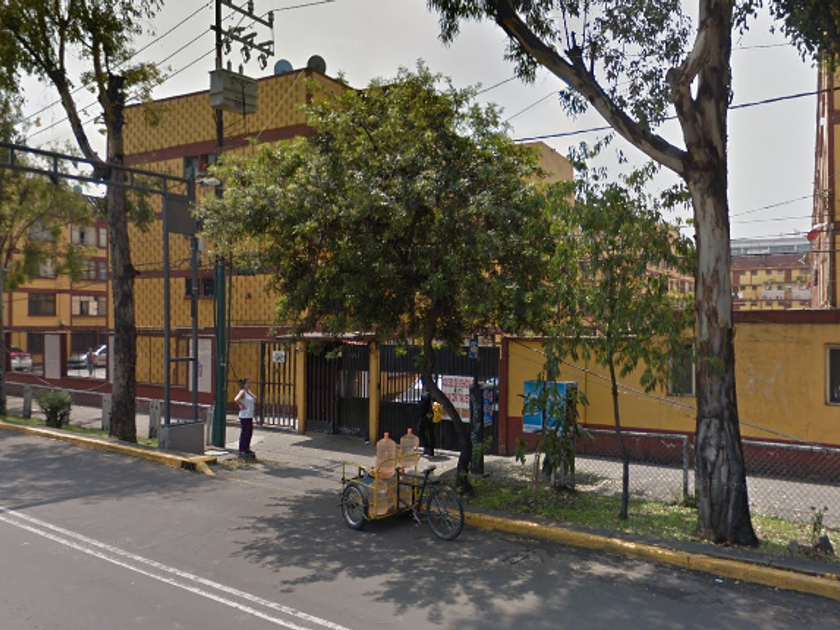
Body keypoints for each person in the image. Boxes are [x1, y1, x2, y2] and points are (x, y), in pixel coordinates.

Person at [234, 377, 257, 458]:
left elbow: (255, 398)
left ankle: (247, 448)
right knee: (245, 433)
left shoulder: (248, 391)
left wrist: (251, 394)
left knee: (249, 433)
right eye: (247, 383)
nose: (249, 385)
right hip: (244, 416)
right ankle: (242, 450)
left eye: (250, 383)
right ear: (243, 385)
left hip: (249, 415)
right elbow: (236, 399)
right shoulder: (242, 392)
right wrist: (241, 405)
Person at [418, 387, 436, 457]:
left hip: (425, 416)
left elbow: (422, 407)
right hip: (432, 416)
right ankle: (431, 450)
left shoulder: (424, 395)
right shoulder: (434, 395)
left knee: (421, 431)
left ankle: (427, 447)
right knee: (431, 433)